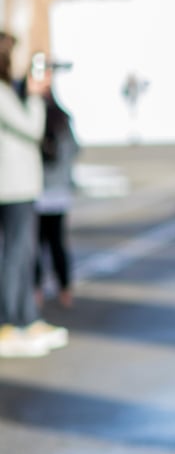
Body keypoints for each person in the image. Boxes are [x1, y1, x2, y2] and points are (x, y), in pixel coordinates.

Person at [0, 37, 69, 357]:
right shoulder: (3, 94)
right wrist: (36, 96)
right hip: (10, 188)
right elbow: (31, 127)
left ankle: (26, 318)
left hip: (20, 187)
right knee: (14, 258)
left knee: (24, 256)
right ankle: (7, 325)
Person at [35, 58, 80, 306]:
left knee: (38, 245)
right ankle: (65, 290)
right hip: (58, 191)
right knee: (57, 243)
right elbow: (75, 149)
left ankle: (37, 290)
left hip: (38, 190)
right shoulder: (63, 119)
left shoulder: (34, 119)